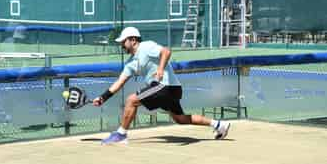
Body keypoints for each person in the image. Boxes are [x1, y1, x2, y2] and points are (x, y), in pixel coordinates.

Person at [92, 26, 230, 145]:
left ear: (133, 40)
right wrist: (103, 98)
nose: (121, 45)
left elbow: (166, 51)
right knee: (180, 118)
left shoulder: (146, 46)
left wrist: (160, 69)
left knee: (131, 100)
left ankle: (121, 134)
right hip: (171, 89)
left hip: (165, 86)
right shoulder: (130, 63)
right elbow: (119, 82)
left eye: (123, 42)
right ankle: (219, 125)